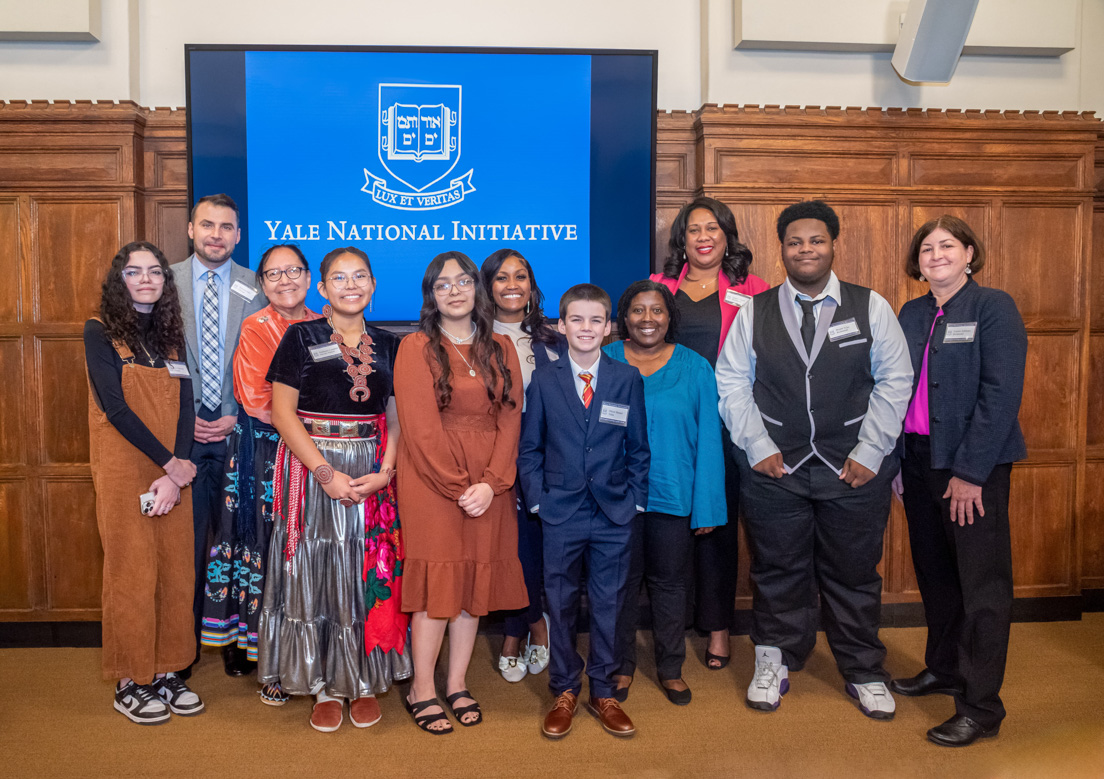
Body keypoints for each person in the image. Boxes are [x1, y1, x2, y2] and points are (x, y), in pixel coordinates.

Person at [715, 200, 913, 719]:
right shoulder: (753, 311)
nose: (806, 249)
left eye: (816, 240)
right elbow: (732, 382)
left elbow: (896, 381)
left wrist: (871, 452)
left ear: (832, 245)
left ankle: (864, 668)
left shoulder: (871, 307)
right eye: (795, 241)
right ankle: (775, 659)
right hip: (774, 472)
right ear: (781, 249)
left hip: (853, 472)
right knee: (778, 570)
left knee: (853, 574)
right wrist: (758, 447)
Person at [258, 246, 411, 732]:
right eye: (339, 278)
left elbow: (395, 414)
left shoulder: (391, 344)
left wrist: (386, 470)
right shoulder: (299, 336)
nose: (351, 285)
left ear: (372, 285)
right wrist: (325, 474)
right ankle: (323, 684)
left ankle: (363, 681)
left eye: (360, 276)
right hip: (313, 465)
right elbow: (283, 413)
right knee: (316, 569)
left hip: (372, 466)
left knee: (363, 571)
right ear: (322, 289)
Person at [890, 216, 1027, 747]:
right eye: (927, 248)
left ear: (970, 253)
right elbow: (898, 387)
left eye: (947, 245)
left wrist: (970, 473)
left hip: (973, 467)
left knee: (982, 588)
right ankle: (944, 669)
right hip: (919, 460)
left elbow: (1000, 395)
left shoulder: (993, 308)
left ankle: (981, 707)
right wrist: (897, 464)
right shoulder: (913, 311)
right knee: (937, 578)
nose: (936, 255)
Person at [395, 251, 527, 735]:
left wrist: (491, 484)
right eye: (442, 284)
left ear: (478, 288)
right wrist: (459, 487)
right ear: (431, 295)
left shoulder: (502, 348)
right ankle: (422, 688)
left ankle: (456, 682)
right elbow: (420, 429)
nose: (454, 290)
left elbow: (511, 419)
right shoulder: (415, 347)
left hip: (489, 481)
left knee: (473, 585)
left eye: (463, 281)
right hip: (434, 481)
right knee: (438, 586)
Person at [518, 284, 650, 740]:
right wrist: (537, 500)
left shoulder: (626, 377)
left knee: (610, 604)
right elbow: (530, 448)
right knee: (560, 602)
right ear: (561, 326)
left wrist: (634, 500)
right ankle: (564, 689)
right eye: (577, 320)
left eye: (596, 320)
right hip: (560, 512)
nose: (586, 328)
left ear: (609, 327)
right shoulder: (545, 380)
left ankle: (603, 690)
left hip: (614, 513)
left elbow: (638, 448)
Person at [85, 241, 204, 724]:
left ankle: (168, 670)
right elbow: (114, 407)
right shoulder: (99, 333)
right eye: (135, 272)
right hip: (126, 467)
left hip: (172, 472)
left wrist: (178, 467)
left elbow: (187, 407)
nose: (147, 279)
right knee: (131, 572)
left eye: (155, 271)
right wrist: (168, 465)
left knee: (177, 572)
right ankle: (130, 679)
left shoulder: (171, 335)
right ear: (120, 280)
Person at [200, 244, 322, 705]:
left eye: (293, 271)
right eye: (273, 274)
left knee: (308, 551)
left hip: (316, 455)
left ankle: (309, 651)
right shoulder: (256, 327)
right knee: (268, 547)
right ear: (261, 283)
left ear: (309, 278)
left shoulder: (323, 326)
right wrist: (316, 423)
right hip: (266, 456)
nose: (284, 280)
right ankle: (264, 654)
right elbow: (256, 398)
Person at [650, 196, 769, 670]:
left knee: (716, 526)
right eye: (694, 229)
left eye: (712, 229)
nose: (703, 237)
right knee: (667, 523)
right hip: (668, 425)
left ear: (727, 237)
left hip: (726, 424)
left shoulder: (754, 289)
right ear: (682, 238)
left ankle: (718, 628)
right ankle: (669, 626)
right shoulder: (658, 287)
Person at [606, 280, 726, 707]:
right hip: (614, 498)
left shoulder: (695, 368)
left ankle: (671, 668)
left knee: (671, 585)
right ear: (624, 318)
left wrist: (707, 504)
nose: (647, 319)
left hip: (673, 497)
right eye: (638, 311)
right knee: (619, 585)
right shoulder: (605, 360)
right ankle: (619, 666)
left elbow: (710, 439)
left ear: (670, 317)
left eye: (657, 311)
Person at [170, 193, 265, 676]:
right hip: (180, 439)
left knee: (236, 542)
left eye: (226, 227)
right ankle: (181, 647)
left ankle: (234, 639)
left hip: (238, 432)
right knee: (185, 545)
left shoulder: (258, 286)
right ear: (190, 229)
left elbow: (272, 364)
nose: (216, 235)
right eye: (207, 225)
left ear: (238, 235)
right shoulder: (165, 282)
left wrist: (237, 414)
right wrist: (189, 419)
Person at [479, 248, 566, 684]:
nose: (512, 285)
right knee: (508, 552)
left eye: (521, 276)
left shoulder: (554, 340)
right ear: (487, 286)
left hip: (547, 465)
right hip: (490, 463)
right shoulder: (470, 338)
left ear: (531, 286)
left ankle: (521, 630)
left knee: (534, 551)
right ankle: (530, 626)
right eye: (501, 277)